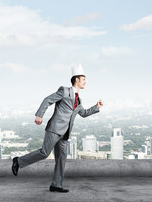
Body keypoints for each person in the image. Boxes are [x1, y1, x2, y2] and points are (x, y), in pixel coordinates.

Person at [11, 64, 104, 193]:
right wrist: (39, 115)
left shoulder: (79, 100)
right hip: (54, 129)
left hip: (65, 133)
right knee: (44, 152)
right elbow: (48, 100)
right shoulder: (64, 91)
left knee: (61, 159)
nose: (85, 82)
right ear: (77, 79)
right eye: (83, 79)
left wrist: (96, 107)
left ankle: (56, 184)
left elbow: (84, 113)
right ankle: (19, 161)